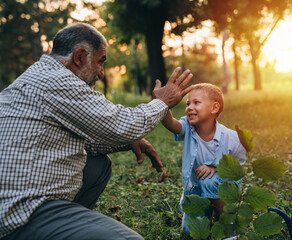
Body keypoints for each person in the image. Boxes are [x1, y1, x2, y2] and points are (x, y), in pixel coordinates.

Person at [0, 22, 193, 240]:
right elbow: (121, 125)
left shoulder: (33, 77)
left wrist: (127, 142)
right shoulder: (60, 81)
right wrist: (162, 102)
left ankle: (69, 226)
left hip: (11, 203)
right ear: (80, 56)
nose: (101, 73)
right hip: (22, 213)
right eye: (100, 61)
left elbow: (60, 139)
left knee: (97, 164)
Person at [161, 83, 246, 234]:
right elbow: (170, 124)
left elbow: (238, 167)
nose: (189, 107)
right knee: (190, 231)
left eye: (196, 102)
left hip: (222, 187)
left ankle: (227, 223)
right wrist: (162, 103)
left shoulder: (231, 138)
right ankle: (207, 213)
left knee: (210, 180)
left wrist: (217, 167)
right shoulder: (187, 127)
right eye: (188, 103)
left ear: (214, 108)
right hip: (196, 190)